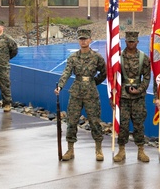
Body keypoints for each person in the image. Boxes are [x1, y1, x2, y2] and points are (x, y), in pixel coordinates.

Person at [55, 28, 107, 161]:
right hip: (76, 92)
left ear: (90, 40)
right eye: (81, 39)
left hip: (91, 93)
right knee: (71, 122)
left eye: (85, 39)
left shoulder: (97, 57)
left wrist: (93, 82)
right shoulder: (73, 57)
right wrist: (60, 86)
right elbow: (66, 72)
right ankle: (70, 149)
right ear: (78, 40)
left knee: (95, 122)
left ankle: (98, 149)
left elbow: (104, 72)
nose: (83, 41)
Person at [113, 30, 150, 163]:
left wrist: (139, 89)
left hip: (138, 98)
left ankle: (141, 150)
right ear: (125, 41)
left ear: (137, 42)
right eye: (129, 41)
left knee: (139, 125)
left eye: (133, 41)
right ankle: (121, 150)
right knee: (123, 125)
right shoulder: (118, 58)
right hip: (123, 97)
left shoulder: (143, 58)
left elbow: (147, 77)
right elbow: (114, 77)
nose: (131, 43)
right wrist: (114, 95)